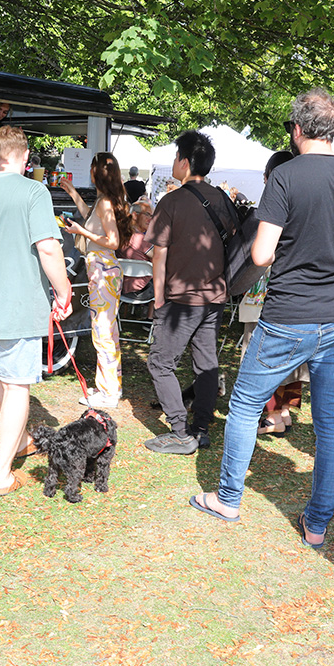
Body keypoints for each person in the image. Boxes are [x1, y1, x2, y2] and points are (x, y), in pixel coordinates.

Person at [188, 89, 334, 540]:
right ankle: (317, 523)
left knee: (244, 403)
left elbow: (261, 253)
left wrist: (301, 252)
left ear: (297, 129)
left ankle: (228, 498)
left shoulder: (285, 176)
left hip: (291, 313)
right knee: (331, 421)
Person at [0, 126, 73, 495]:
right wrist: (64, 291)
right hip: (17, 303)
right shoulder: (34, 191)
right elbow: (48, 247)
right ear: (25, 157)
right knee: (17, 384)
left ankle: (19, 441)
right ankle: (2, 474)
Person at [141, 130, 239, 454]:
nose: (173, 162)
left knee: (160, 362)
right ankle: (201, 428)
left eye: (175, 157)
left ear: (184, 162)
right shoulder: (222, 199)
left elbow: (159, 256)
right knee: (206, 362)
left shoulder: (171, 201)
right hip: (215, 296)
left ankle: (181, 432)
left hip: (181, 298)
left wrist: (158, 298)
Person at [236, 150, 305, 436]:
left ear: (269, 177)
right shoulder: (303, 206)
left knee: (262, 355)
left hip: (264, 294)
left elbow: (258, 255)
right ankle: (284, 412)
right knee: (291, 357)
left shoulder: (269, 207)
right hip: (296, 295)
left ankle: (273, 415)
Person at [60, 153, 134, 410]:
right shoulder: (104, 201)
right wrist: (73, 193)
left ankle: (108, 393)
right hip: (102, 270)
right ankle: (110, 386)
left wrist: (80, 231)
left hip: (103, 271)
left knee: (103, 333)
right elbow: (91, 219)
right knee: (106, 332)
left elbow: (112, 241)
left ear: (97, 172)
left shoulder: (105, 203)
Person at [118, 200, 154, 296]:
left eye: (152, 216)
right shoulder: (141, 239)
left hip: (120, 288)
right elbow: (160, 258)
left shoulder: (120, 235)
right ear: (134, 215)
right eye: (147, 215)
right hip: (143, 290)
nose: (151, 219)